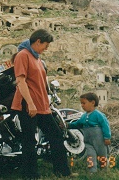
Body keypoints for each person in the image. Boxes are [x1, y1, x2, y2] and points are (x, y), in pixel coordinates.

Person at [11, 29, 74, 179]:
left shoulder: (37, 58)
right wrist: (31, 104)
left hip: (42, 106)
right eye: (45, 45)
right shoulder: (23, 55)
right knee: (29, 141)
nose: (47, 49)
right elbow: (21, 82)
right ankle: (30, 175)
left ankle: (62, 171)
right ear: (38, 41)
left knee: (56, 136)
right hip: (29, 106)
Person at [68, 92, 111, 173]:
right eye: (81, 103)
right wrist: (68, 126)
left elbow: (105, 126)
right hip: (88, 141)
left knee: (102, 155)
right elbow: (77, 124)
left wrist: (107, 137)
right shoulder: (84, 116)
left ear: (93, 103)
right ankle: (92, 171)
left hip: (99, 140)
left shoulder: (98, 115)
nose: (82, 105)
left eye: (84, 103)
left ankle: (104, 170)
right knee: (90, 156)